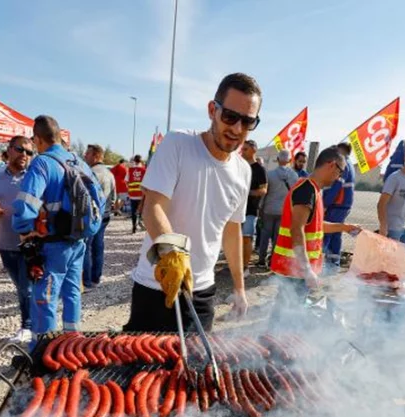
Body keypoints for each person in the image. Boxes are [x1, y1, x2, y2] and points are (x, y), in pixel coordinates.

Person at [124, 72, 259, 332]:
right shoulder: (178, 143)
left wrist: (240, 288)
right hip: (155, 286)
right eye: (230, 117)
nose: (237, 129)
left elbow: (232, 230)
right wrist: (171, 253)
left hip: (202, 293)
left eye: (248, 122)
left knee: (193, 371)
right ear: (212, 110)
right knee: (142, 368)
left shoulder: (244, 171)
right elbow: (153, 206)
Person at [13, 115, 94, 336]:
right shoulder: (79, 162)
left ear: (37, 139)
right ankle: (72, 340)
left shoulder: (42, 162)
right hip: (78, 240)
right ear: (59, 136)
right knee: (72, 292)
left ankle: (43, 349)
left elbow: (25, 203)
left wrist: (23, 230)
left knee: (45, 296)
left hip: (53, 244)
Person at [270, 146, 360, 326]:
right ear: (332, 165)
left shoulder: (315, 191)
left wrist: (345, 227)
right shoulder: (306, 190)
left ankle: (275, 340)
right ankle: (275, 343)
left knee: (287, 314)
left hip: (297, 269)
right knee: (287, 316)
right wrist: (306, 269)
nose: (339, 178)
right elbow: (297, 230)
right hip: (294, 269)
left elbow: (317, 227)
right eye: (340, 172)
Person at [0, 136, 34, 343]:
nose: (25, 155)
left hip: (32, 245)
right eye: (21, 150)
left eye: (29, 152)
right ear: (9, 150)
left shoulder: (36, 176)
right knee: (21, 286)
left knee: (26, 287)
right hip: (6, 245)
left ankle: (29, 326)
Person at [83, 144, 116, 289]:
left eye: (87, 154)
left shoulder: (90, 173)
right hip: (105, 215)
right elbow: (114, 196)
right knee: (98, 246)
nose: (85, 156)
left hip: (92, 216)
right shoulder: (109, 173)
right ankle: (96, 278)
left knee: (86, 248)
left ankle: (87, 281)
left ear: (95, 156)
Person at [257, 149, 298, 267]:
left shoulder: (269, 174)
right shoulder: (294, 176)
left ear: (278, 160)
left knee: (265, 235)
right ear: (290, 160)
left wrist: (260, 208)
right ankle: (273, 260)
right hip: (284, 210)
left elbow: (265, 193)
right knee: (277, 237)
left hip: (269, 209)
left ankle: (261, 260)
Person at [377, 146, 405, 245]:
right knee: (390, 258)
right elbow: (381, 204)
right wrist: (383, 226)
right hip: (393, 228)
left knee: (404, 259)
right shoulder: (394, 178)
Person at [322, 141, 356, 268]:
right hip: (343, 205)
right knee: (336, 232)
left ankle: (318, 262)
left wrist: (325, 204)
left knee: (327, 231)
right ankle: (333, 263)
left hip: (337, 204)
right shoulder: (350, 164)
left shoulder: (343, 164)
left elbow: (335, 187)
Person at [240, 140, 267, 277]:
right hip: (236, 208)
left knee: (246, 238)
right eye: (242, 149)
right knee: (235, 238)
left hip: (250, 209)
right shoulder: (238, 165)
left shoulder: (259, 169)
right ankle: (236, 265)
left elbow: (263, 190)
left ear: (253, 151)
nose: (242, 151)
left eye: (245, 149)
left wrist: (248, 193)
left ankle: (245, 267)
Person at [127, 155, 146, 234]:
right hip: (141, 194)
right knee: (142, 210)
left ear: (134, 161)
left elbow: (126, 180)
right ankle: (141, 223)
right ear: (141, 161)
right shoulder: (144, 170)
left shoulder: (130, 170)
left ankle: (134, 226)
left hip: (132, 194)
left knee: (133, 211)